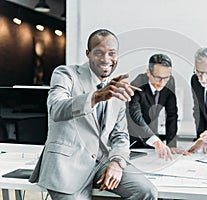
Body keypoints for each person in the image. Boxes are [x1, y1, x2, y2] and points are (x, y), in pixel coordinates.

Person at [29, 29, 157, 200]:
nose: (106, 59)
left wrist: (117, 162)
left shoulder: (116, 88)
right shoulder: (66, 74)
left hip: (101, 162)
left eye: (111, 53)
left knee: (147, 192)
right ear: (88, 54)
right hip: (67, 166)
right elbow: (56, 109)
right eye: (99, 53)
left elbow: (120, 136)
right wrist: (96, 96)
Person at [127, 54, 189, 160]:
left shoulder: (170, 81)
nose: (162, 82)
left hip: (153, 138)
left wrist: (171, 144)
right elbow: (135, 116)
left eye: (166, 78)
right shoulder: (137, 84)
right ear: (148, 73)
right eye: (157, 78)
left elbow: (172, 113)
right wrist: (154, 140)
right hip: (133, 137)